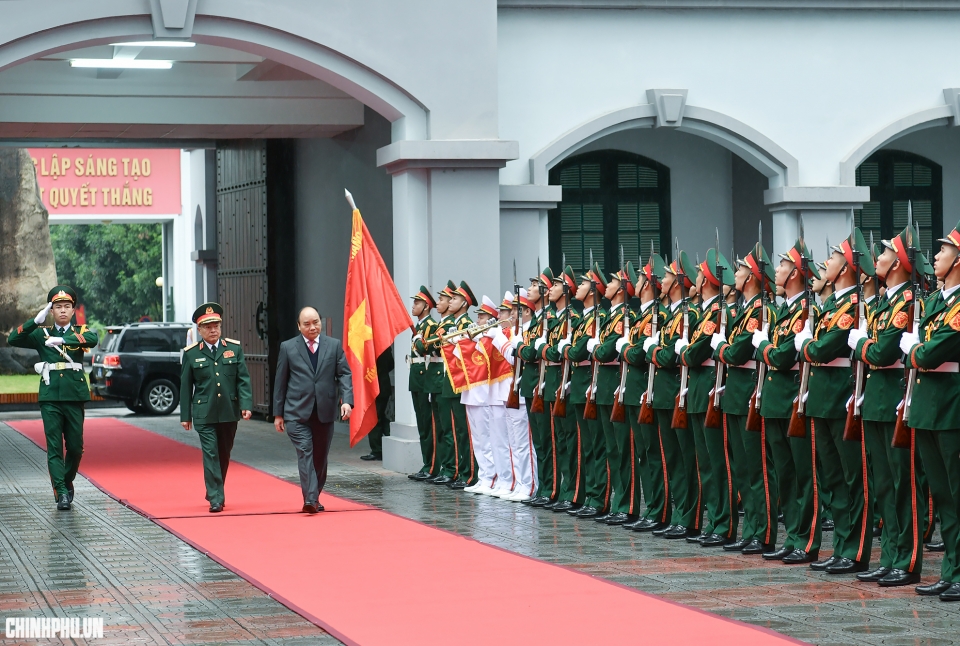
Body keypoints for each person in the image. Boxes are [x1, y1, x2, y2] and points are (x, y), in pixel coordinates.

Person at [848, 226, 925, 587]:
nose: (875, 259)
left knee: (901, 484)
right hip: (875, 400)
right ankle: (891, 555)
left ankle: (907, 561)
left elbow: (882, 353)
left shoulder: (907, 303)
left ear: (897, 264)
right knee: (882, 486)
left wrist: (860, 343)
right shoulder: (883, 302)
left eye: (882, 254)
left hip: (893, 399)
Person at [795, 230, 874, 575]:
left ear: (845, 269)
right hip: (822, 397)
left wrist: (805, 345)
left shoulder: (853, 306)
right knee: (831, 477)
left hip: (841, 398)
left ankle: (855, 550)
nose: (825, 263)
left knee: (851, 477)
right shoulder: (831, 304)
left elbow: (824, 348)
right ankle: (842, 545)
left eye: (832, 257)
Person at [899, 220, 960, 602]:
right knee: (943, 496)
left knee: (957, 493)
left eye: (943, 250)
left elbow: (934, 350)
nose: (935, 256)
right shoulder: (937, 300)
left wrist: (914, 351)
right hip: (928, 407)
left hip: (951, 408)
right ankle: (952, 569)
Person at [752, 239, 823, 564]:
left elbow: (781, 359)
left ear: (795, 272)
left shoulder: (804, 312)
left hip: (794, 400)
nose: (776, 270)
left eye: (781, 265)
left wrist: (763, 345)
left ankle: (807, 540)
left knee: (803, 474)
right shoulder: (782, 310)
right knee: (784, 474)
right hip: (775, 401)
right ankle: (793, 535)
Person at [712, 243, 779, 555]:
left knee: (757, 470)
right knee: (741, 469)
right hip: (735, 395)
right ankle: (750, 528)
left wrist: (720, 347)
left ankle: (762, 532)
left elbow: (737, 352)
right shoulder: (743, 310)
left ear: (752, 276)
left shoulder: (760, 312)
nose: (735, 274)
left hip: (749, 393)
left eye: (740, 270)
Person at [8, 285, 99, 511]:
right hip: (50, 396)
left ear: (73, 309)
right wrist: (35, 321)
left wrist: (63, 341)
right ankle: (61, 492)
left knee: (76, 448)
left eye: (67, 306)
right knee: (55, 447)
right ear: (51, 310)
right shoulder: (41, 333)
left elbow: (92, 339)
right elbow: (13, 338)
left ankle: (66, 480)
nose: (62, 311)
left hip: (74, 395)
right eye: (57, 307)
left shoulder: (81, 330)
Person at [679, 249, 738, 547]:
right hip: (699, 391)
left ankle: (723, 523)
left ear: (706, 282)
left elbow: (694, 353)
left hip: (711, 392)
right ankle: (714, 520)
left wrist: (683, 350)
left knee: (717, 463)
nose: (695, 277)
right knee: (705, 463)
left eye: (700, 273)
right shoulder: (705, 311)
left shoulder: (717, 313)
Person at [644, 250, 703, 540]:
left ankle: (688, 517)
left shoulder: (688, 314)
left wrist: (654, 351)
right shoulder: (670, 315)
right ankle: (677, 514)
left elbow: (670, 357)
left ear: (679, 281)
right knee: (672, 458)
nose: (662, 280)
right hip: (665, 394)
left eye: (667, 275)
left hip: (678, 393)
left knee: (684, 459)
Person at [273, 306, 353, 513]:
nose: (312, 327)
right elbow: (280, 382)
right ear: (299, 326)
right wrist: (278, 414)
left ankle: (314, 495)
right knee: (305, 451)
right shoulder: (288, 347)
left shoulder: (333, 346)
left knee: (320, 457)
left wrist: (347, 401)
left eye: (315, 322)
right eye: (307, 324)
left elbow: (344, 374)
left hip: (324, 411)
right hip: (296, 412)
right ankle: (310, 499)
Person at [180, 303, 253, 513]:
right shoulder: (192, 354)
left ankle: (214, 488)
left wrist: (246, 405)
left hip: (229, 411)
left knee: (224, 453)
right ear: (199, 330)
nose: (213, 330)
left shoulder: (233, 349)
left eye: (216, 325)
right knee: (210, 453)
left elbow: (243, 380)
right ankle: (216, 497)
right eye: (208, 326)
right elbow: (185, 387)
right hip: (204, 412)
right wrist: (186, 416)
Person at [408, 286, 441, 480]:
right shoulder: (420, 326)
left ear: (426, 307)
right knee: (422, 424)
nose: (414, 306)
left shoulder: (430, 326)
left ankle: (432, 465)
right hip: (416, 377)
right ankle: (427, 463)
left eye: (417, 303)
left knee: (429, 425)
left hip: (424, 376)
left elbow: (427, 350)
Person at [362, 348, 394, 461]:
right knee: (379, 416)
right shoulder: (384, 346)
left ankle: (377, 450)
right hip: (383, 385)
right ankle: (391, 436)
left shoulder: (367, 348)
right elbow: (391, 364)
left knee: (374, 418)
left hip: (374, 386)